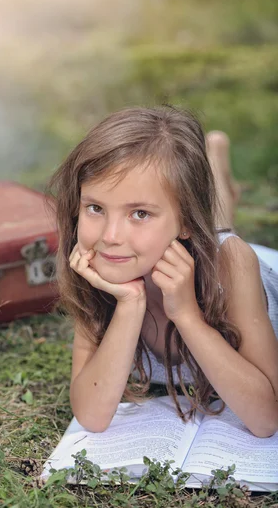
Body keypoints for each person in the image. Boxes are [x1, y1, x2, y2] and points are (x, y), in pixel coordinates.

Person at [48, 106, 278, 438]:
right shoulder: (99, 271)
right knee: (211, 220)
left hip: (236, 262)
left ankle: (216, 167)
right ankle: (212, 170)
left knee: (220, 231)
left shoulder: (232, 263)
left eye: (139, 213)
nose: (110, 237)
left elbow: (266, 420)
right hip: (185, 233)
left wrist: (187, 315)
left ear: (185, 221)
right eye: (95, 208)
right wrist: (128, 304)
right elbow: (92, 416)